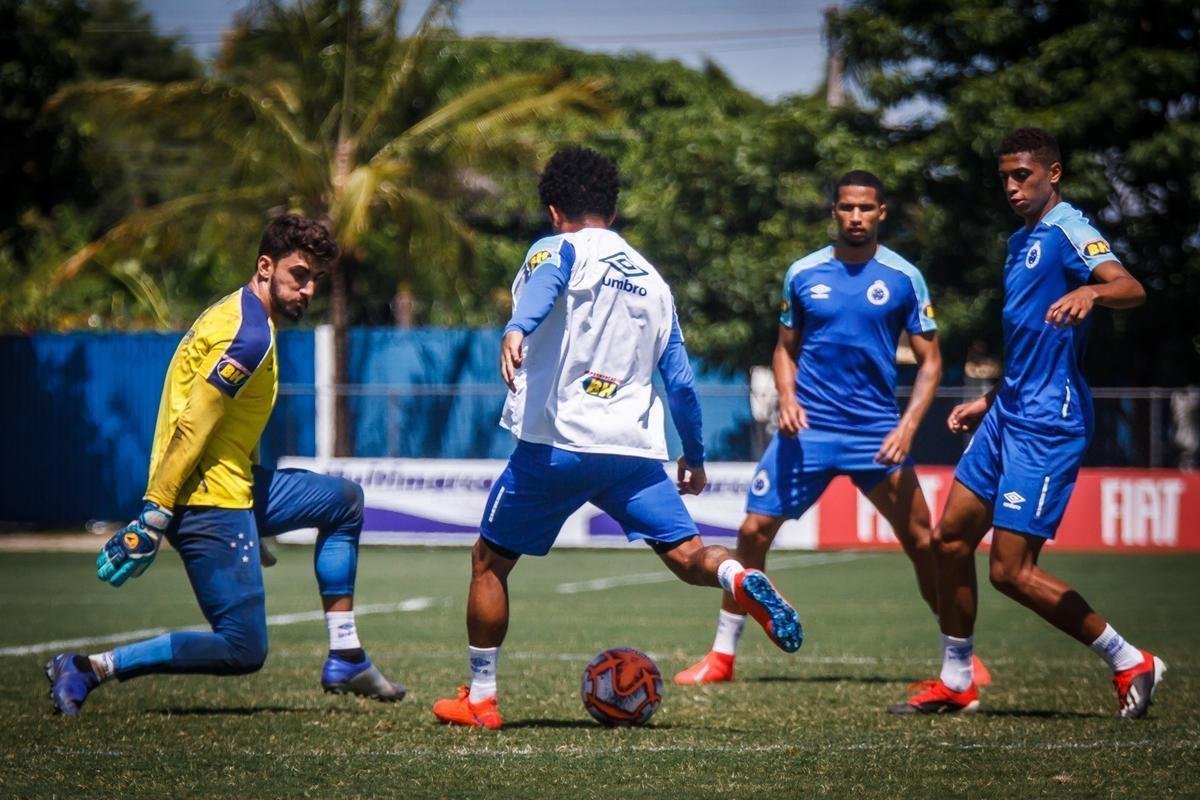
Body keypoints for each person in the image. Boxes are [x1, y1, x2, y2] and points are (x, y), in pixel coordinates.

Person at [431, 146, 803, 729]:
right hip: (632, 453)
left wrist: (517, 327)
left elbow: (547, 280)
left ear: (555, 211)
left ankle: (480, 699)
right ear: (612, 208)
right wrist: (695, 456)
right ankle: (737, 576)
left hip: (556, 447)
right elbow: (681, 383)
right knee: (688, 557)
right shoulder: (654, 281)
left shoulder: (560, 246)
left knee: (489, 562)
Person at [46, 214, 405, 716]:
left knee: (344, 501)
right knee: (243, 648)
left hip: (235, 483)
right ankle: (89, 667)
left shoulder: (243, 315)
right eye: (299, 274)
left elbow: (232, 428)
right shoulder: (249, 337)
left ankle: (345, 653)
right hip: (204, 500)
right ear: (265, 267)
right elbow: (193, 425)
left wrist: (256, 516)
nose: (307, 289)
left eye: (316, 280)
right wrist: (154, 515)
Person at [675, 171, 988, 686]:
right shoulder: (803, 273)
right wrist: (788, 398)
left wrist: (908, 427)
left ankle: (960, 657)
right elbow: (784, 350)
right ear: (835, 212)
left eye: (866, 208)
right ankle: (722, 657)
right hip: (808, 432)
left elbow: (931, 362)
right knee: (752, 532)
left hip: (876, 435)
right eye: (847, 207)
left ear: (882, 212)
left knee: (923, 543)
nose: (856, 217)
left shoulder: (904, 277)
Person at [889, 128, 1162, 717]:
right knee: (949, 540)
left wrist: (1093, 295)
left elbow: (1130, 286)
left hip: (1047, 421)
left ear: (1052, 173)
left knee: (1010, 571)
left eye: (1023, 176)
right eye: (1005, 178)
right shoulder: (1020, 242)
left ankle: (1130, 659)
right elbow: (1032, 344)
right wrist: (990, 399)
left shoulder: (1069, 229)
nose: (1012, 187)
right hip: (1009, 411)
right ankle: (957, 680)